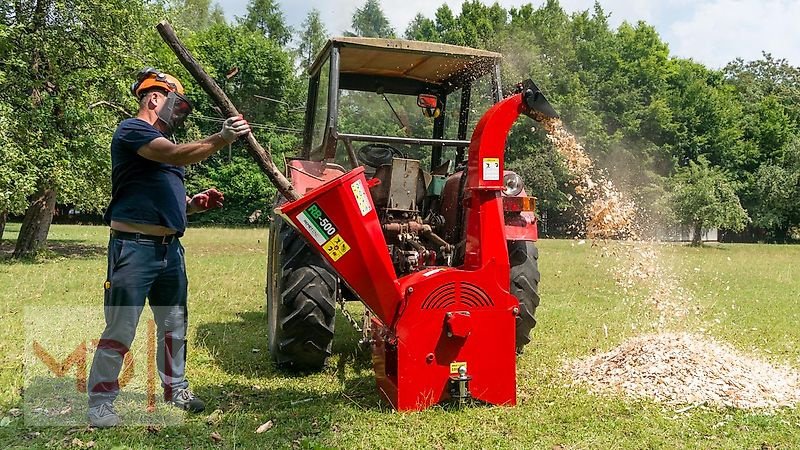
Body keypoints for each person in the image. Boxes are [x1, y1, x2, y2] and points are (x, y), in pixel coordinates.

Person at [86, 68, 250, 427]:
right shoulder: (133, 130)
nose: (179, 114)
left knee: (174, 325)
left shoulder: (159, 143)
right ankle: (100, 403)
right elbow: (176, 155)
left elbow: (161, 189)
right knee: (121, 328)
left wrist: (192, 204)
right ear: (154, 98)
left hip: (169, 251)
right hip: (133, 250)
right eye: (176, 105)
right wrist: (221, 138)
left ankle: (176, 389)